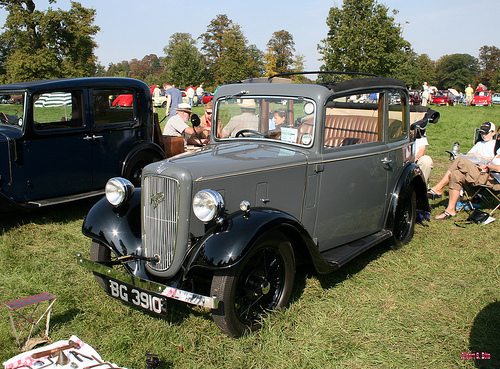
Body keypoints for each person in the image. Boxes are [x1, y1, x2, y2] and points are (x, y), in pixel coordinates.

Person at [429, 122, 500, 219]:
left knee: (460, 160)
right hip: (485, 175)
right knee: (456, 174)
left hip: (494, 182)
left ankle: (438, 188)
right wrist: (486, 165)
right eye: (499, 135)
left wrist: (489, 166)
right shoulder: (498, 149)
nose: (498, 138)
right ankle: (450, 210)